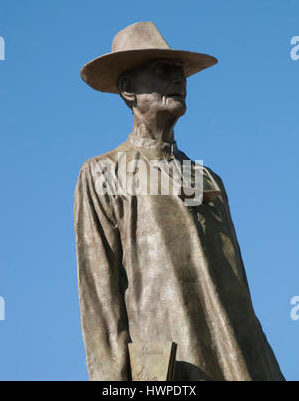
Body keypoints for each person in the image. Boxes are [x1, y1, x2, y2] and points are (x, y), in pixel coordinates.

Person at [74, 22, 285, 381]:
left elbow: (240, 293)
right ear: (128, 89)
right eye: (162, 71)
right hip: (169, 366)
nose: (179, 80)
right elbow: (99, 299)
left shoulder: (204, 178)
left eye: (181, 73)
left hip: (238, 361)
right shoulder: (103, 172)